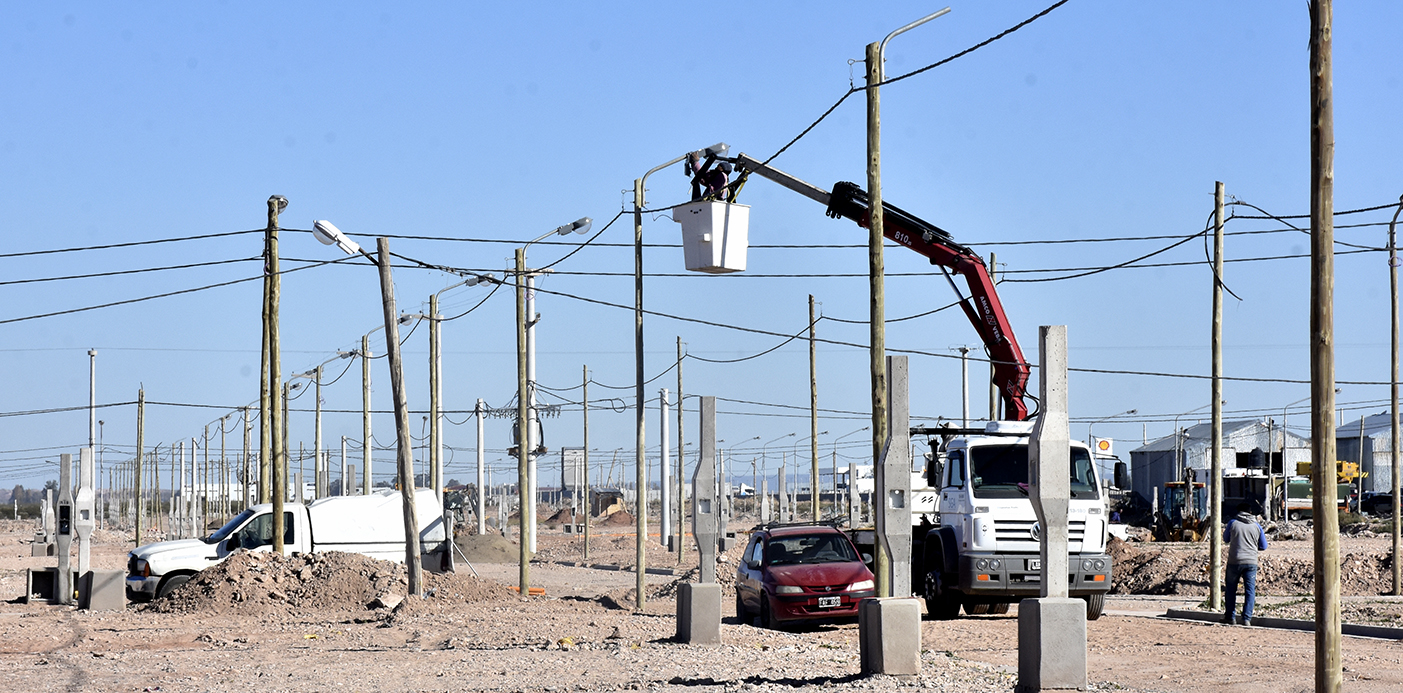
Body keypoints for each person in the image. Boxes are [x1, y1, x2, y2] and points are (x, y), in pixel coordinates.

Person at [1223, 501, 1268, 626]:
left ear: (1239, 512)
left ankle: (1230, 617)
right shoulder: (1257, 526)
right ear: (1250, 512)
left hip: (1234, 561)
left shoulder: (1232, 523)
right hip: (1251, 562)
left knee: (1231, 589)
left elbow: (1226, 539)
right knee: (1250, 590)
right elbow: (1263, 546)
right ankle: (1246, 618)